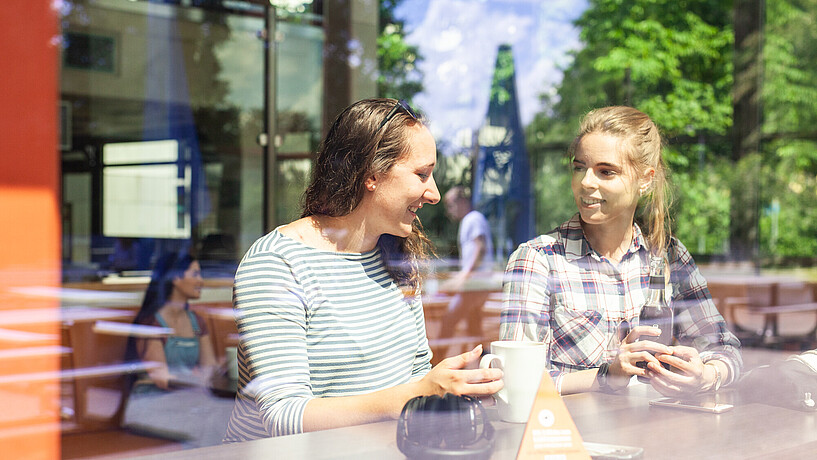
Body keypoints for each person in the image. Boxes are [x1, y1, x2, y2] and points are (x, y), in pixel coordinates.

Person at [223, 98, 503, 441]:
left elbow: (414, 378)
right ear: (372, 174)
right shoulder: (277, 264)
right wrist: (415, 395)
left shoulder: (397, 259)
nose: (433, 194)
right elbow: (283, 416)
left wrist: (449, 390)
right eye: (422, 174)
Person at [500, 106, 742, 397]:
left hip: (659, 432)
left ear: (645, 179)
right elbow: (516, 381)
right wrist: (606, 374)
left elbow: (725, 350)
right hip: (572, 437)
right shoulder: (537, 259)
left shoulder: (669, 257)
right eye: (579, 167)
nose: (586, 182)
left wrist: (706, 375)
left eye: (606, 171)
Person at [122, 250, 233, 447]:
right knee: (208, 423)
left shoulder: (197, 322)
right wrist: (200, 380)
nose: (201, 281)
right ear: (175, 278)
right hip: (151, 406)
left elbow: (210, 367)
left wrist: (221, 369)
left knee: (231, 415)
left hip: (188, 401)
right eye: (195, 274)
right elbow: (162, 379)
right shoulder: (151, 323)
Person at [437, 185, 496, 355]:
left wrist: (465, 275)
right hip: (477, 282)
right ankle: (487, 362)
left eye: (450, 205)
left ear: (462, 201)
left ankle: (436, 362)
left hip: (475, 284)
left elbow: (480, 247)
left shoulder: (472, 219)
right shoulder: (471, 219)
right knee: (474, 327)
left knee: (449, 320)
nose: (449, 211)